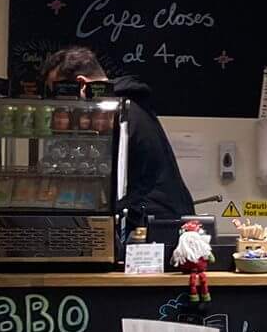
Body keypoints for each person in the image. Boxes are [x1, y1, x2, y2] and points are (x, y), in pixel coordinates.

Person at [41, 45, 194, 230]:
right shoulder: (130, 104)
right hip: (159, 216)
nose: (59, 102)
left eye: (60, 90)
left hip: (155, 225)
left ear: (81, 84)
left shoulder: (117, 113)